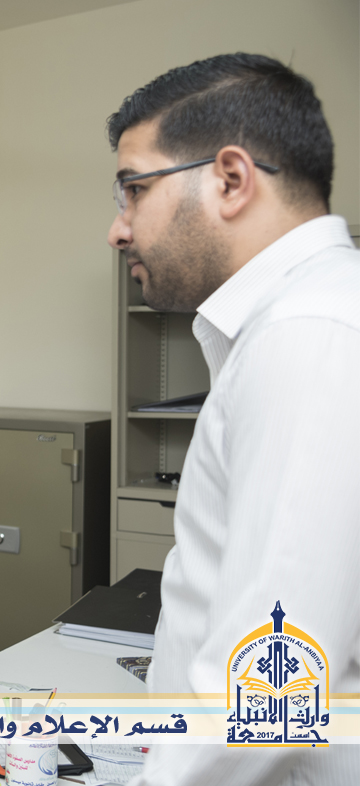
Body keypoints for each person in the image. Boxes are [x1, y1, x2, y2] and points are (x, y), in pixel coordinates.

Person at [106, 54, 360, 784]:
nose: (118, 229)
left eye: (134, 190)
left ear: (230, 179)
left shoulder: (309, 334)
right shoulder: (306, 319)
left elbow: (274, 684)